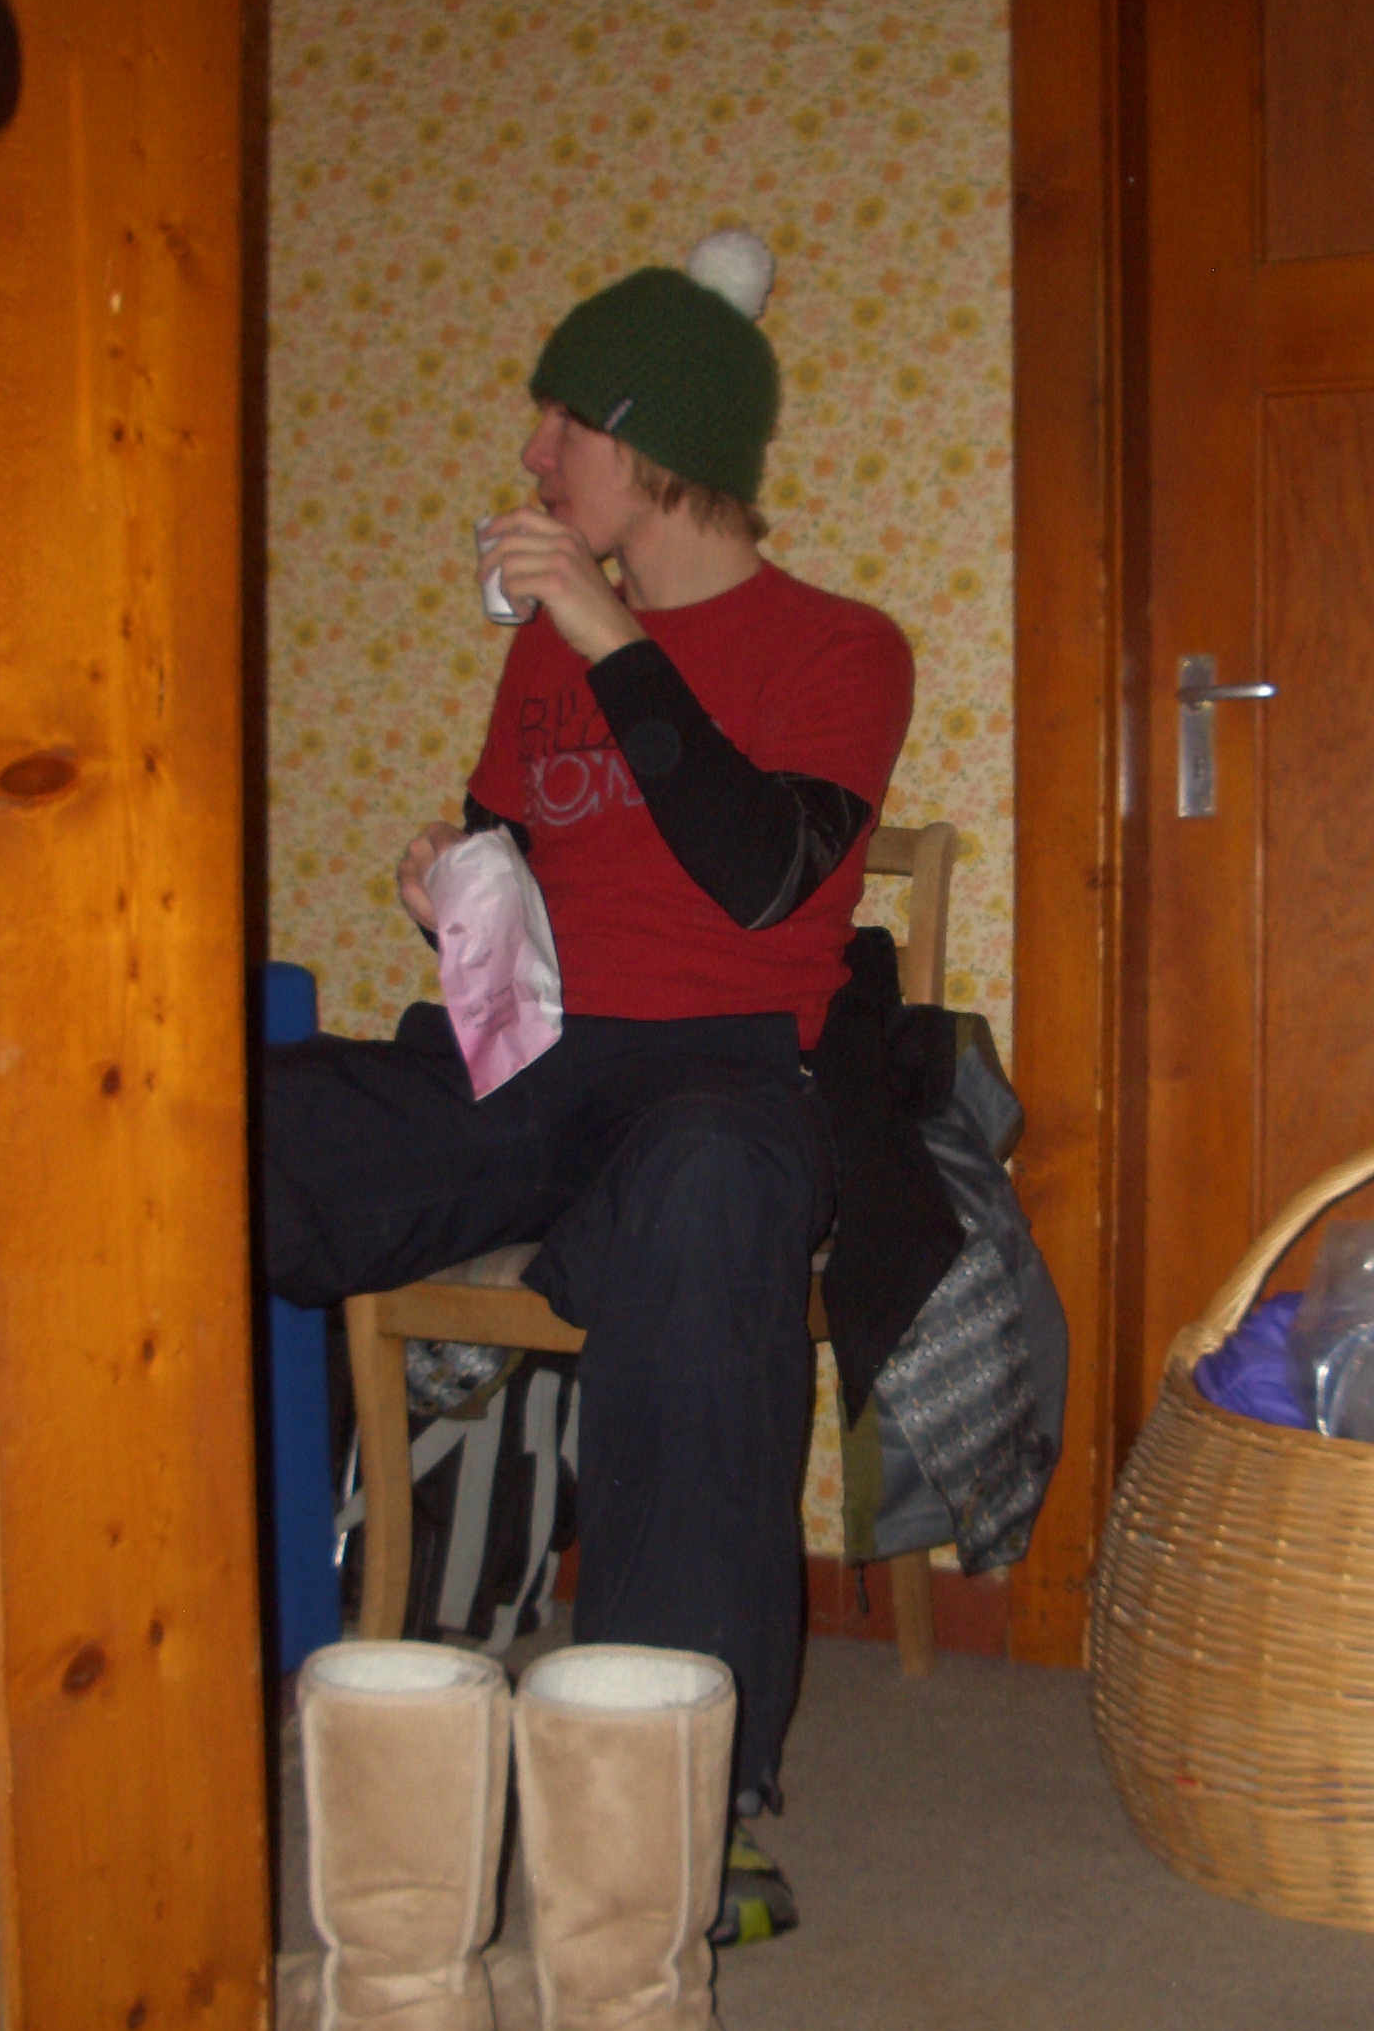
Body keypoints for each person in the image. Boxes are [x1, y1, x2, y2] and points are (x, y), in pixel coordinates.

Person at [264, 236, 914, 1923]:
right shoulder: (545, 651)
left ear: (657, 443)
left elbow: (762, 875)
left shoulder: (842, 648)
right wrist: (452, 886)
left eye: (565, 424)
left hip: (722, 1081)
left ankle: (673, 1803)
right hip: (532, 1062)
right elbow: (518, 862)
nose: (533, 455)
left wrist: (605, 626)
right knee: (222, 1119)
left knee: (710, 1200)